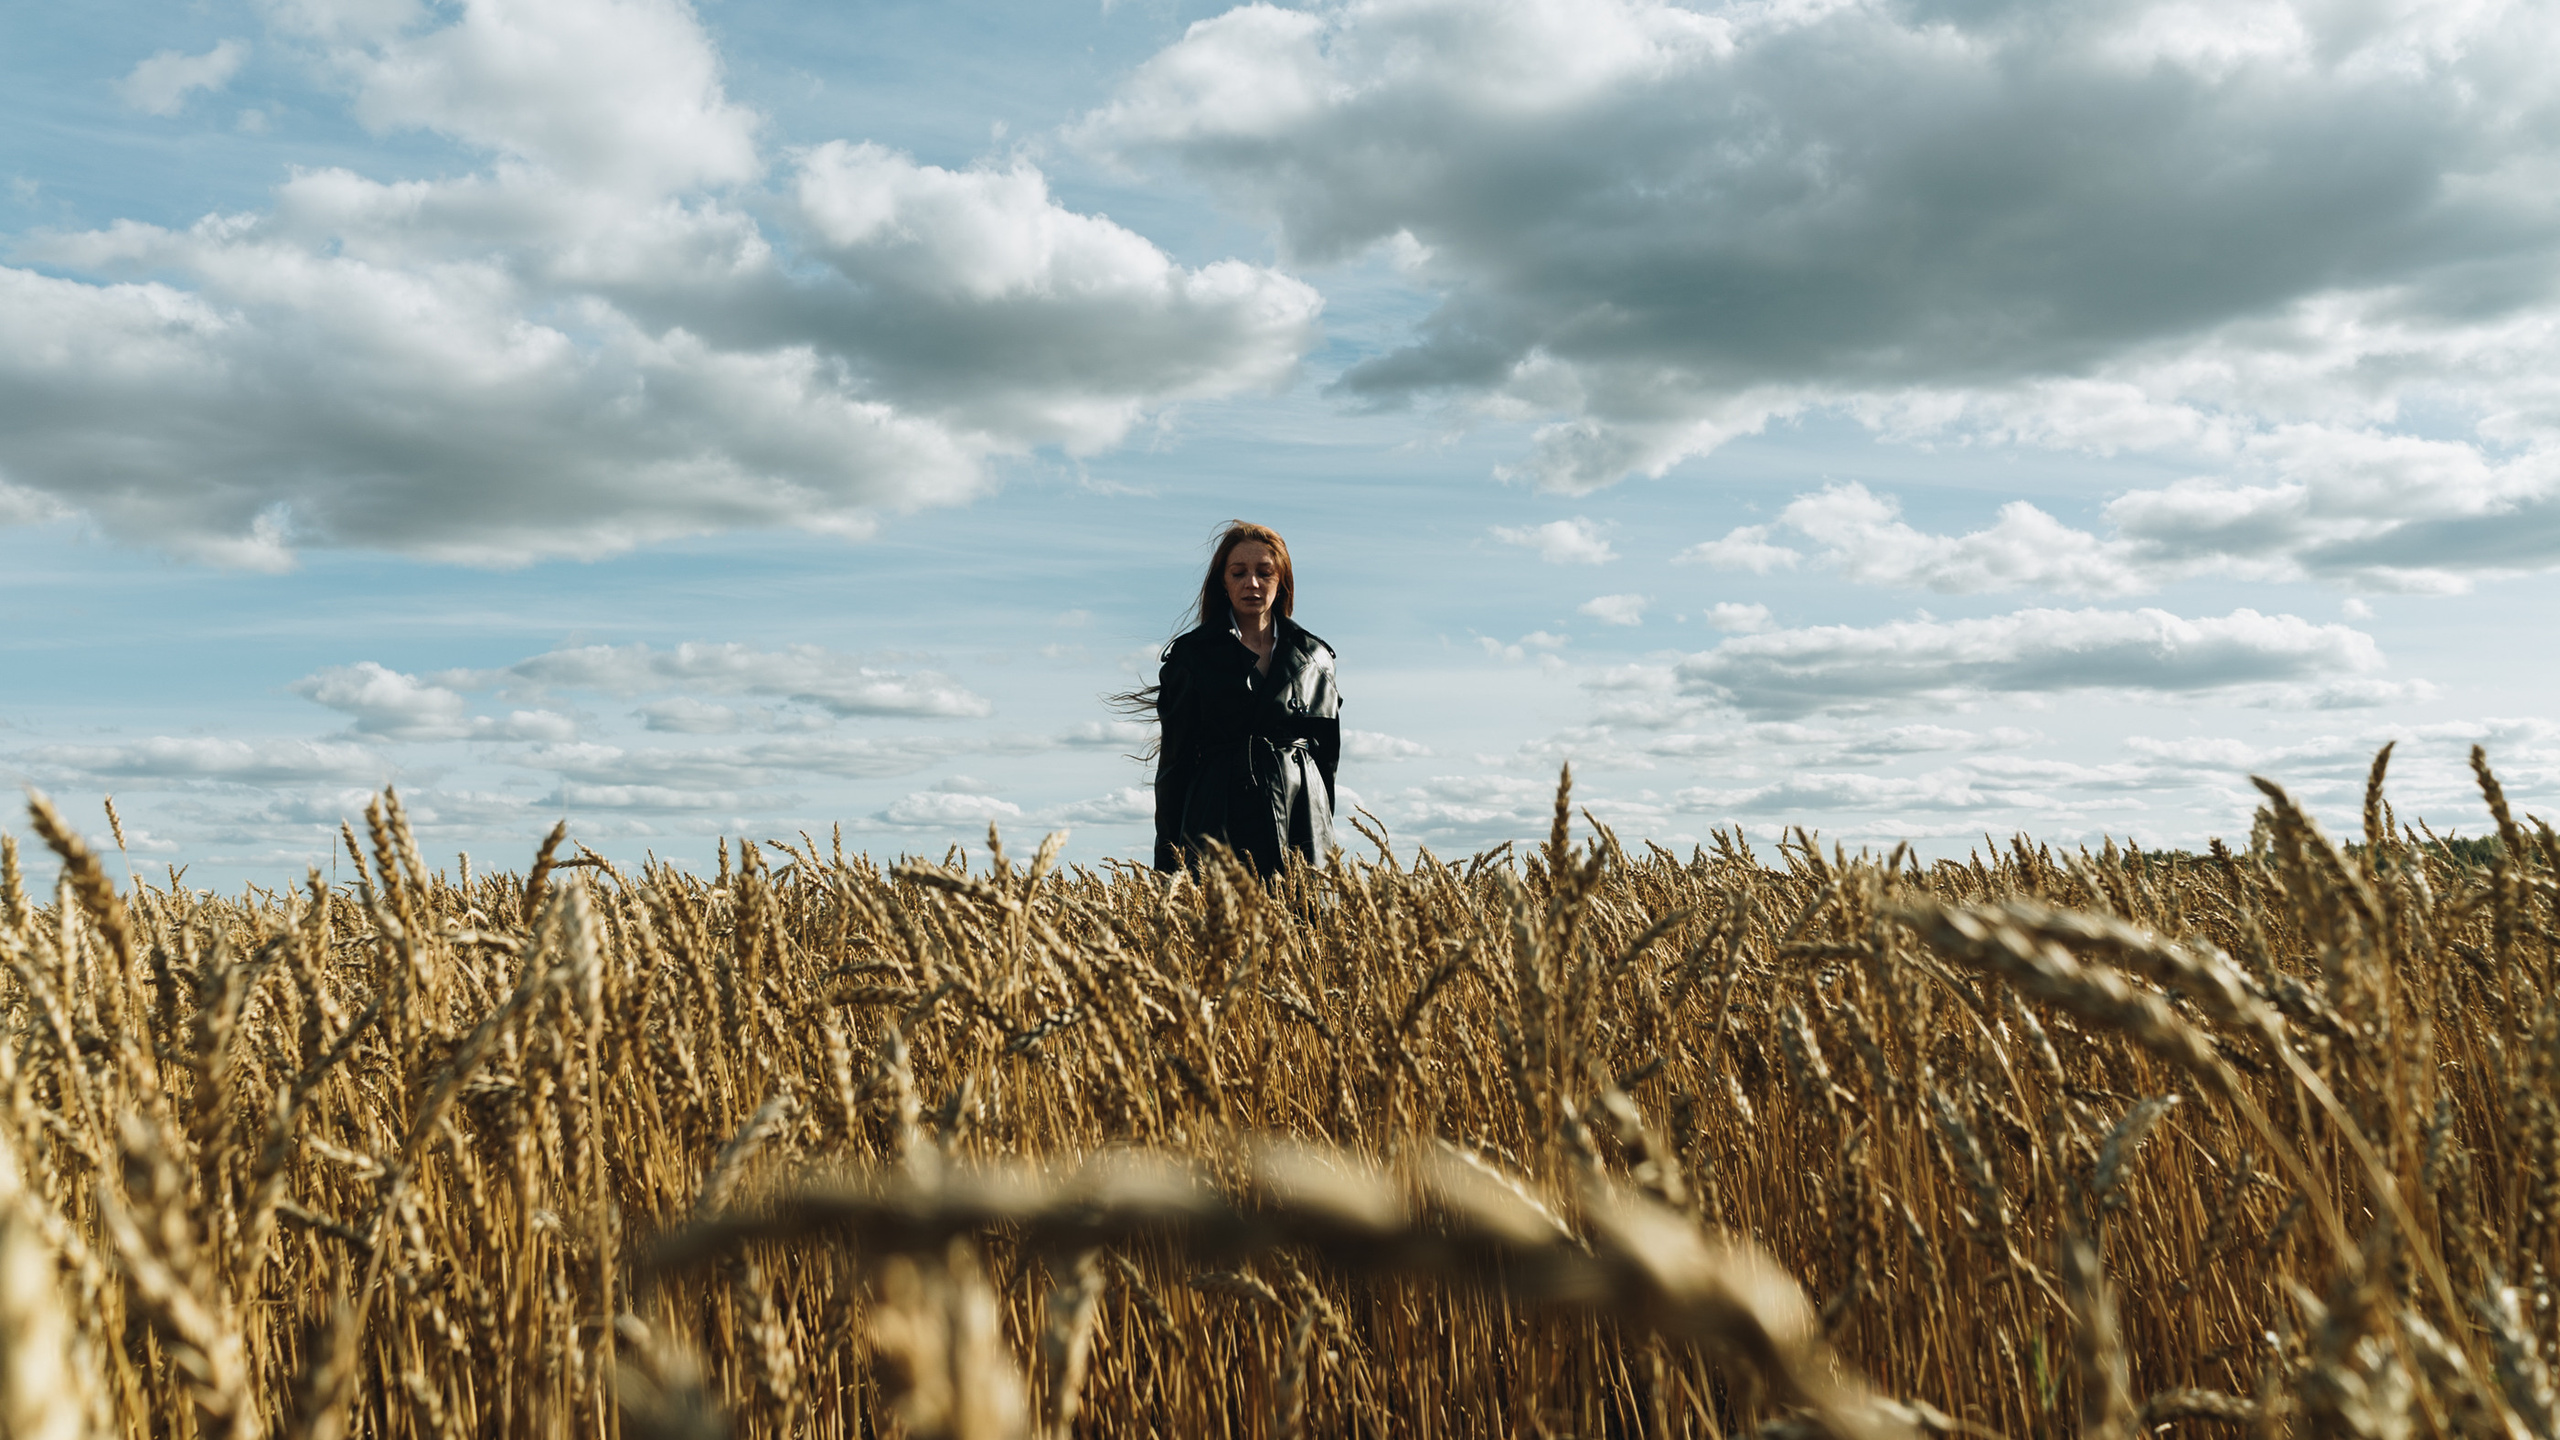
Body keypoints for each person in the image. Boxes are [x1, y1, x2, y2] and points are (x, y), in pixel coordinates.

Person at [1139, 521, 1341, 875]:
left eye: (1265, 573)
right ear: (1224, 581)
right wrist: (1167, 866)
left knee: (1305, 926)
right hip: (1217, 818)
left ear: (1282, 582)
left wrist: (1323, 834)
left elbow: (1327, 764)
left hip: (1301, 817)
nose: (1252, 583)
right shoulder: (1192, 657)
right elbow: (1173, 767)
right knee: (1225, 927)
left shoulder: (1315, 658)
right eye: (1239, 573)